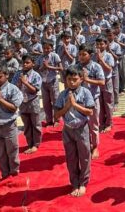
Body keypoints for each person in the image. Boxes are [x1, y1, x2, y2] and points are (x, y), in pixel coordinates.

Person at [54, 65, 96, 198]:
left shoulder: (85, 92)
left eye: (75, 79)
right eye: (69, 79)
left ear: (81, 79)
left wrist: (75, 105)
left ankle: (83, 182)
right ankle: (75, 182)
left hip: (82, 128)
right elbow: (56, 115)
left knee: (84, 156)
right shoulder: (63, 95)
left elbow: (90, 111)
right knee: (71, 157)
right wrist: (67, 106)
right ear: (65, 80)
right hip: (68, 129)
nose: (72, 82)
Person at [77, 45, 105, 159]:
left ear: (91, 55)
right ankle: (85, 146)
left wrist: (87, 79)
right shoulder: (76, 67)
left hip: (92, 100)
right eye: (80, 54)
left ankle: (95, 147)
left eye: (84, 54)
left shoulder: (96, 67)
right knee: (81, 125)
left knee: (93, 125)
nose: (81, 57)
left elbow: (102, 82)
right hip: (79, 101)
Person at [16, 55, 43, 154]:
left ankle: (36, 144)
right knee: (27, 125)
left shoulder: (36, 75)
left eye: (27, 63)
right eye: (23, 63)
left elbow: (34, 90)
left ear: (33, 64)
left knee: (35, 124)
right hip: (22, 102)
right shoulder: (18, 74)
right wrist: (19, 83)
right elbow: (14, 88)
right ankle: (29, 143)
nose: (25, 64)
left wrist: (25, 83)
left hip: (33, 102)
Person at [36, 41, 62, 127]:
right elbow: (36, 69)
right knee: (46, 102)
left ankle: (57, 119)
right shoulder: (40, 57)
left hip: (53, 81)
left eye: (48, 48)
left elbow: (60, 68)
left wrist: (48, 67)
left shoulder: (55, 56)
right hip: (43, 82)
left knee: (55, 100)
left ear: (51, 48)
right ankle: (49, 120)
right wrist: (43, 67)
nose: (46, 50)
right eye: (44, 48)